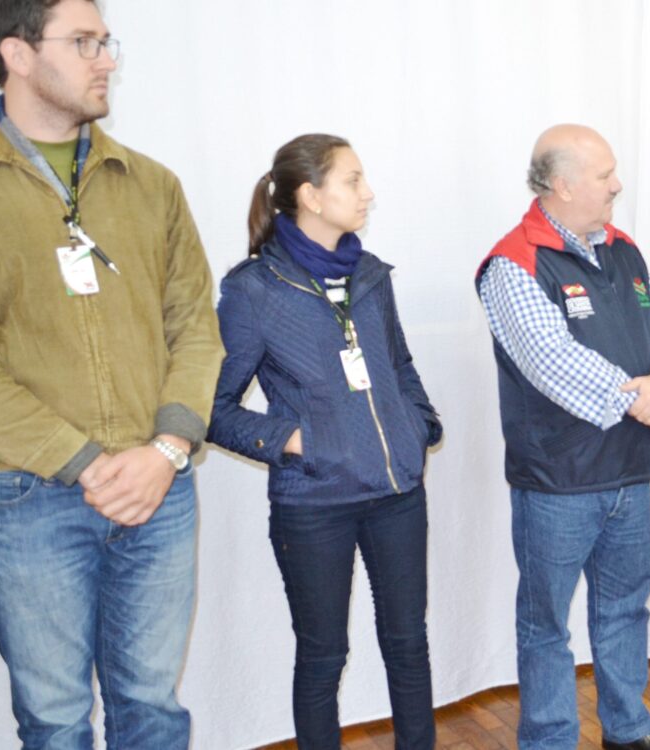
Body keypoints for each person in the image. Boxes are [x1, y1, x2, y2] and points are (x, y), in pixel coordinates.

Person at [0, 1, 224, 747]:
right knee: (55, 722)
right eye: (84, 42)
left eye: (106, 41)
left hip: (159, 486)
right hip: (27, 495)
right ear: (18, 54)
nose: (107, 59)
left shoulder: (152, 184)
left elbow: (197, 329)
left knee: (153, 709)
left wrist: (166, 450)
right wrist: (87, 462)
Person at [207, 134, 442, 750]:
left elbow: (398, 365)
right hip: (314, 505)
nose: (368, 193)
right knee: (322, 655)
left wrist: (419, 425)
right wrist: (295, 440)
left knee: (408, 644)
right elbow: (211, 408)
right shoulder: (254, 290)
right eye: (353, 180)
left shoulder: (370, 275)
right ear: (311, 196)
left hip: (397, 493)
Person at [475, 124, 650, 750]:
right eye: (605, 175)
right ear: (563, 184)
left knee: (626, 610)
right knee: (546, 625)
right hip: (559, 483)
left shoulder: (623, 249)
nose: (617, 185)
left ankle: (628, 731)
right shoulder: (512, 264)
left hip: (630, 472)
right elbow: (552, 361)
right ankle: (549, 741)